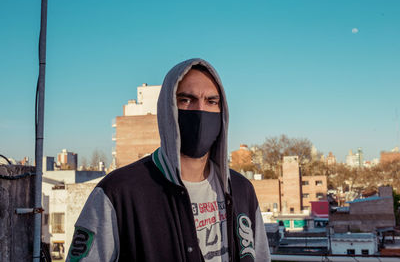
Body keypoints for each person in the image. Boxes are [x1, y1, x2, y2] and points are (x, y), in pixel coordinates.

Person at [66, 58, 270, 262]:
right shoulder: (118, 192)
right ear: (167, 109)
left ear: (222, 112)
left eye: (211, 101)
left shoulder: (242, 190)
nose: (200, 110)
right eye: (186, 100)